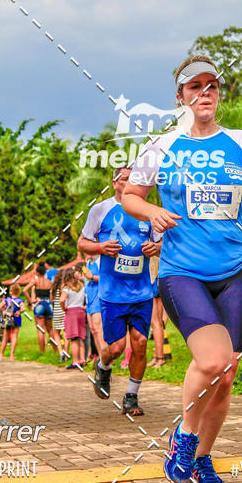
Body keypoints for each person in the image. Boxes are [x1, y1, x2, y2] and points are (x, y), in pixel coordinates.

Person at [122, 55, 242, 483]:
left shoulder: (241, 142)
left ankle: (202, 460)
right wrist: (152, 209)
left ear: (219, 93)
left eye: (211, 85)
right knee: (213, 361)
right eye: (194, 87)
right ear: (180, 98)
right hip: (182, 272)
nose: (204, 93)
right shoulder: (162, 147)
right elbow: (131, 197)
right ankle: (184, 439)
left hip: (234, 271)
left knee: (226, 375)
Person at [78, 166, 161, 417]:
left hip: (141, 292)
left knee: (140, 343)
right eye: (125, 179)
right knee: (115, 348)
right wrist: (102, 247)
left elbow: (162, 241)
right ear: (115, 183)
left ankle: (131, 397)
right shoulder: (100, 210)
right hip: (112, 294)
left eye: (134, 180)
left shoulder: (148, 211)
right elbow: (83, 243)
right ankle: (103, 367)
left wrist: (154, 248)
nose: (130, 184)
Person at [26, 262, 67, 359]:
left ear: (37, 273)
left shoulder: (35, 281)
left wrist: (30, 301)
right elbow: (51, 294)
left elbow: (25, 290)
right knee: (50, 330)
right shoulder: (49, 282)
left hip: (39, 304)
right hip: (49, 305)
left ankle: (42, 351)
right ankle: (56, 350)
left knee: (40, 330)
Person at [57, 267, 87, 369]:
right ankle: (83, 359)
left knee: (73, 338)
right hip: (81, 311)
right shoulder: (82, 287)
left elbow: (61, 300)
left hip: (71, 312)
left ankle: (75, 361)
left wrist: (64, 308)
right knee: (81, 337)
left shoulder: (66, 289)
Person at [83, 254, 104, 360]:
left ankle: (105, 357)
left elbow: (106, 279)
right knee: (93, 329)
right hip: (88, 299)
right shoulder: (87, 263)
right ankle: (100, 357)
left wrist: (92, 277)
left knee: (98, 328)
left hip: (98, 297)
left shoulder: (100, 261)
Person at [0, 285, 25, 361]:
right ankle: (12, 355)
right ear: (19, 292)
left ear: (10, 291)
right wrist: (19, 311)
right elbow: (23, 308)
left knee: (5, 337)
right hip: (16, 319)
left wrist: (5, 311)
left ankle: (1, 355)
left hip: (7, 319)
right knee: (14, 336)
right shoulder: (20, 300)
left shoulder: (6, 300)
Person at [147, 255, 166, 368]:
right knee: (158, 322)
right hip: (159, 279)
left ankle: (160, 358)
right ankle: (156, 356)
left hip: (153, 279)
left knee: (156, 323)